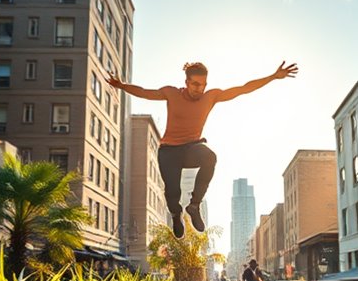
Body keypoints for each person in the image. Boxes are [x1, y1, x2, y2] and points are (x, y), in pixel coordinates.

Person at [105, 61, 298, 238]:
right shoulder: (171, 93)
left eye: (203, 85)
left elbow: (244, 89)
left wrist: (273, 76)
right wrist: (121, 85)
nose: (200, 89)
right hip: (169, 150)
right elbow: (144, 92)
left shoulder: (210, 97)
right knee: (172, 191)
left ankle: (194, 205)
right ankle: (176, 215)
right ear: (186, 82)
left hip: (192, 148)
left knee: (209, 157)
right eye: (195, 84)